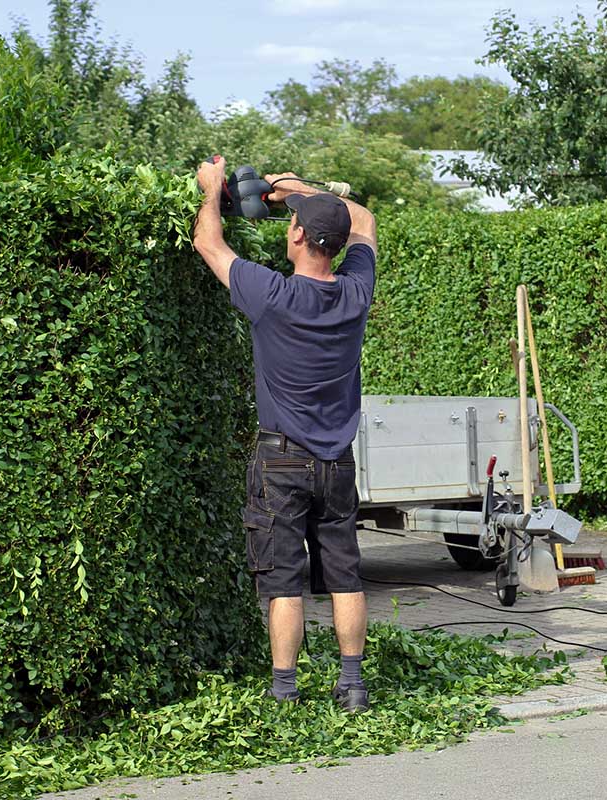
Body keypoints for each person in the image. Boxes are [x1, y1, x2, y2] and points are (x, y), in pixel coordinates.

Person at [193, 157, 377, 712]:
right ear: (336, 246)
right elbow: (363, 219)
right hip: (337, 462)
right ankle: (352, 685)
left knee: (283, 583)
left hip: (281, 462)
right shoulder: (355, 293)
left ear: (296, 236)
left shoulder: (270, 294)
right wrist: (299, 193)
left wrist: (210, 190)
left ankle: (284, 691)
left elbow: (208, 241)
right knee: (345, 574)